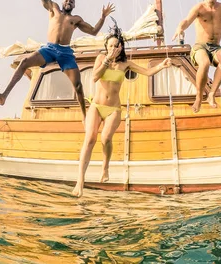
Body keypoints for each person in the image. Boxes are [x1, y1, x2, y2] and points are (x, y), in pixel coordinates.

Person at [0, 0, 115, 119]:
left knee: (78, 85)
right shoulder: (54, 8)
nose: (68, 2)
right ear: (63, 2)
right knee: (24, 63)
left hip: (65, 52)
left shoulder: (76, 19)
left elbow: (94, 31)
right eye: (66, 0)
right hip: (49, 49)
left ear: (74, 5)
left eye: (71, 1)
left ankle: (85, 117)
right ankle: (3, 96)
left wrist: (102, 17)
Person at [72, 24, 172, 197]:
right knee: (89, 139)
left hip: (113, 109)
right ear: (106, 47)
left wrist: (161, 66)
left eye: (115, 46)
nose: (112, 48)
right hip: (96, 106)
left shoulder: (125, 64)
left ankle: (105, 167)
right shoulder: (101, 58)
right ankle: (79, 182)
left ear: (120, 48)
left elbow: (147, 72)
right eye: (109, 45)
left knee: (105, 138)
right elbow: (95, 77)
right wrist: (106, 60)